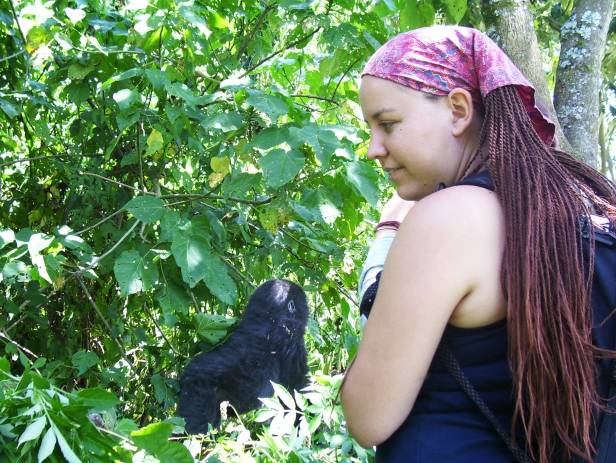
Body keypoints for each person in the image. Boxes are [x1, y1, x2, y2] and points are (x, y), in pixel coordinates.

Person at [340, 25, 616, 463]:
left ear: (458, 109)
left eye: (388, 124)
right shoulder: (585, 205)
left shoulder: (450, 219)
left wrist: (388, 242)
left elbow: (368, 417)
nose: (374, 148)